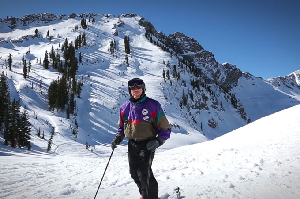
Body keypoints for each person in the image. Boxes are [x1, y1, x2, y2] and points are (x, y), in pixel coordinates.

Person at [111, 78, 171, 199]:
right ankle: (145, 194)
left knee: (144, 172)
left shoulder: (153, 105)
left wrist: (158, 140)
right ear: (129, 91)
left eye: (138, 88)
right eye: (132, 89)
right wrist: (118, 137)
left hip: (148, 143)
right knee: (134, 173)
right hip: (132, 144)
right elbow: (122, 127)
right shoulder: (124, 107)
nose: (135, 90)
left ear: (143, 89)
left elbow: (165, 127)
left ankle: (151, 197)